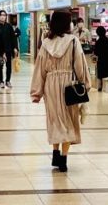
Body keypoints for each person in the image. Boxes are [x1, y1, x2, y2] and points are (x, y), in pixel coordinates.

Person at [30, 10, 91, 173]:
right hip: (68, 85)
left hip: (51, 84)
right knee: (68, 120)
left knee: (54, 119)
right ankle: (63, 158)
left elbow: (39, 68)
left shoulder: (45, 43)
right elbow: (80, 65)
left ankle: (55, 152)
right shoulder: (73, 41)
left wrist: (37, 92)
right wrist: (85, 83)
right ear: (67, 24)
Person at [0, 10, 18, 89]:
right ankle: (1, 81)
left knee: (9, 66)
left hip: (8, 49)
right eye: (1, 15)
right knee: (0, 66)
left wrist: (15, 47)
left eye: (4, 15)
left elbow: (13, 38)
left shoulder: (9, 26)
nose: (3, 16)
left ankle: (7, 80)